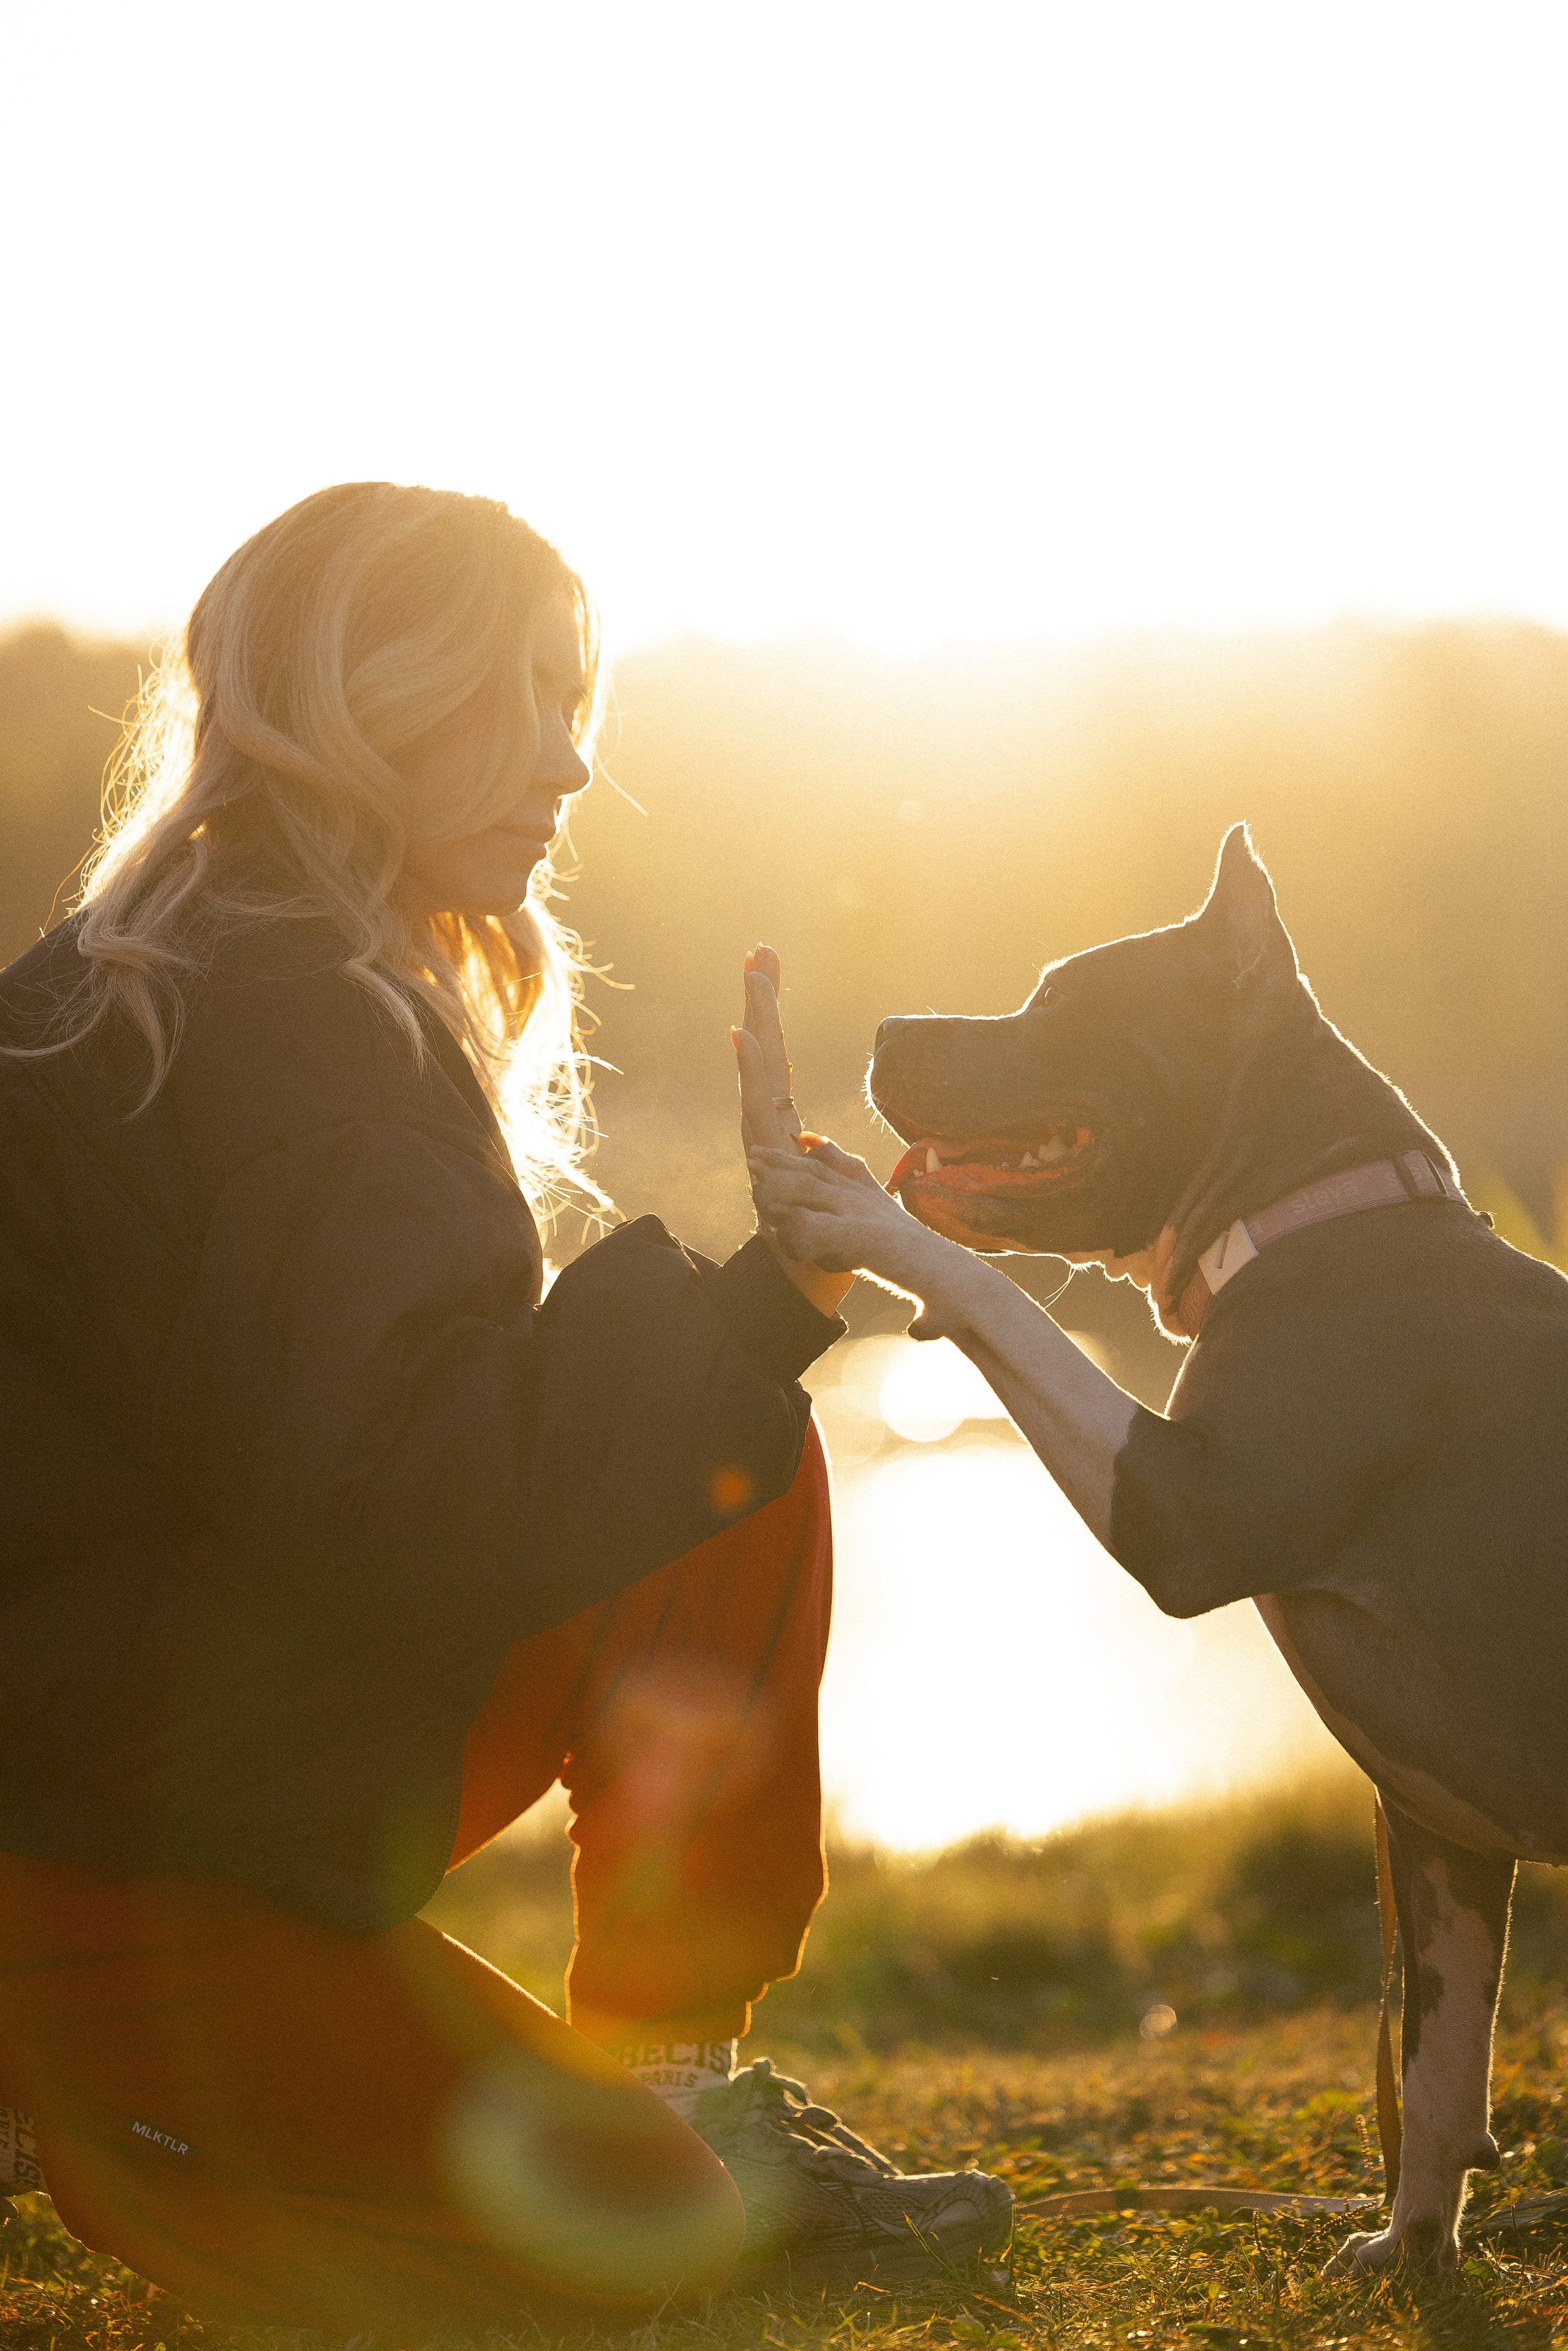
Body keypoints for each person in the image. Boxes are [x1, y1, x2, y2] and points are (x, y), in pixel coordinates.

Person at [0, 483, 1011, 2335]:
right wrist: (762, 1297)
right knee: (637, 2231)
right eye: (520, 695)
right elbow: (416, 1510)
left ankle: (660, 2075)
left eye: (579, 700)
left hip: (199, 1749)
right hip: (108, 1843)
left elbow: (362, 1471)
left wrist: (752, 1321)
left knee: (738, 1454)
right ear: (361, 697)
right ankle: (121, 2116)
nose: (569, 762)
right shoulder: (297, 1024)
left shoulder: (219, 959)